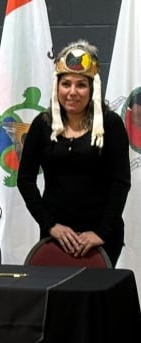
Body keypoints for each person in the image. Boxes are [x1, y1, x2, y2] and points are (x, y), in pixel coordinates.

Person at [17, 40, 130, 267]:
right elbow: (25, 180)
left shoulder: (110, 123)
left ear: (93, 89)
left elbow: (120, 182)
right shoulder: (42, 124)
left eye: (81, 85)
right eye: (66, 83)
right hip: (56, 236)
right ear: (56, 86)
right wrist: (50, 225)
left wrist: (101, 233)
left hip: (100, 236)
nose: (72, 92)